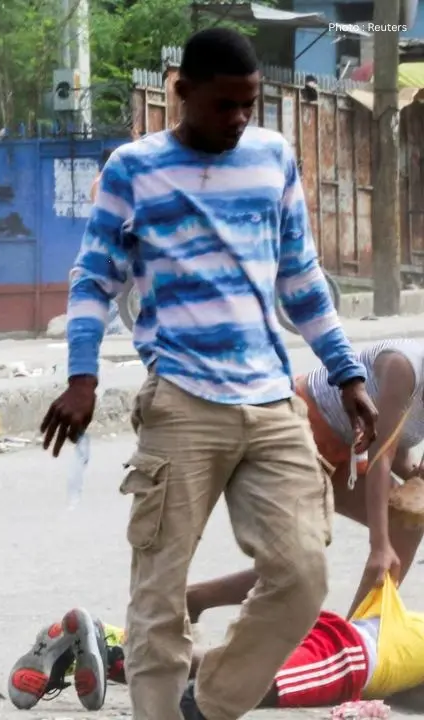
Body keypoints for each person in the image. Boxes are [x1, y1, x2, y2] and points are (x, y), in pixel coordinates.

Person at [39, 27, 379, 720]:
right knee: (158, 594)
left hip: (269, 400)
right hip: (183, 403)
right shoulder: (132, 170)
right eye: (223, 105)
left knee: (302, 572)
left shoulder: (273, 160)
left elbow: (301, 278)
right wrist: (81, 377)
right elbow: (92, 280)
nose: (237, 120)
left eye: (248, 106)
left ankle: (211, 704)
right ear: (181, 92)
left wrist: (346, 373)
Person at [189, 339, 424, 626]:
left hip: (346, 448)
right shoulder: (404, 367)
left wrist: (414, 475)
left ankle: (356, 639)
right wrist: (379, 544)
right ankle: (195, 598)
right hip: (297, 428)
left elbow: (398, 445)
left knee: (408, 520)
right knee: (298, 564)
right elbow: (380, 457)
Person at [12, 583, 424, 712]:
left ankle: (109, 646)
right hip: (350, 656)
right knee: (237, 687)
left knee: (222, 668)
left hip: (344, 638)